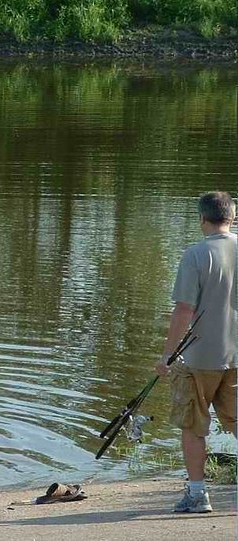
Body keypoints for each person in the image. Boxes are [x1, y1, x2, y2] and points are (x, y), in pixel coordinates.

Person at [156, 191, 237, 513]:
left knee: (193, 426)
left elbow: (184, 310)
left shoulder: (195, 254)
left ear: (202, 218)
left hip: (200, 357)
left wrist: (166, 355)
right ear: (231, 217)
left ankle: (197, 493)